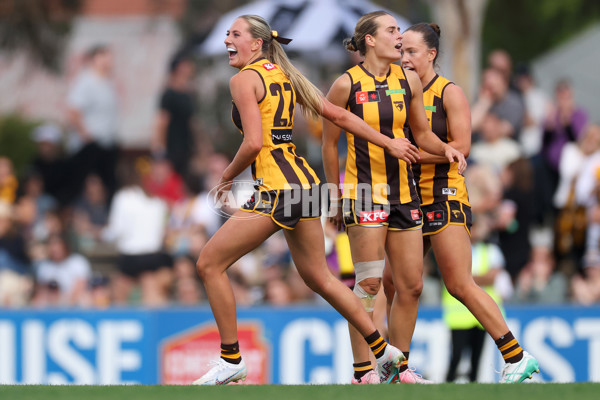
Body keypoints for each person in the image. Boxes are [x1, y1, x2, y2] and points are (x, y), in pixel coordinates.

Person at [192, 14, 422, 385]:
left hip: (278, 191)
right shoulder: (284, 74)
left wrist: (224, 177)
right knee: (322, 278)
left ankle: (231, 358)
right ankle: (385, 352)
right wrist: (389, 141)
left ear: (256, 44)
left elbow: (252, 143)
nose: (226, 41)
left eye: (234, 34)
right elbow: (338, 116)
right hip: (307, 187)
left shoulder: (244, 79)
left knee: (208, 264)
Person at [384, 22, 539, 384]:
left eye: (411, 51)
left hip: (444, 193)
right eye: (401, 51)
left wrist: (412, 157)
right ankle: (398, 370)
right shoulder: (398, 88)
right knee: (399, 283)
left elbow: (463, 148)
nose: (404, 57)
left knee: (459, 283)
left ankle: (516, 356)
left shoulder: (448, 92)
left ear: (431, 54)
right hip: (409, 197)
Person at [321, 12, 466, 385]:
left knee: (411, 285)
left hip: (405, 193)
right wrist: (334, 195)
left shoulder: (409, 79)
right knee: (369, 284)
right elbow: (328, 144)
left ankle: (397, 369)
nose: (398, 35)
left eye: (399, 30)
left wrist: (447, 149)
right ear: (370, 40)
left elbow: (421, 135)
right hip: (364, 192)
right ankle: (363, 371)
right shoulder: (345, 85)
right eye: (391, 30)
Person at [66, 44, 120, 200]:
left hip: (107, 143)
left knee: (109, 186)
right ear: (93, 59)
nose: (108, 62)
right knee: (84, 186)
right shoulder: (86, 81)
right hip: (91, 146)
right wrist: (86, 136)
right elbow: (73, 111)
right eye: (104, 57)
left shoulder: (107, 83)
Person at [152, 56, 197, 180]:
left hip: (186, 147)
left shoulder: (188, 93)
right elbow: (162, 121)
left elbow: (192, 122)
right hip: (172, 148)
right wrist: (160, 149)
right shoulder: (169, 94)